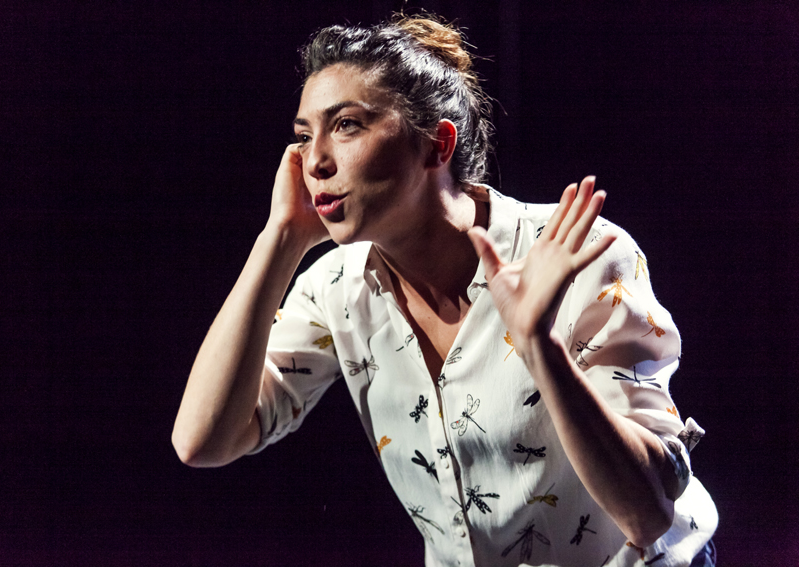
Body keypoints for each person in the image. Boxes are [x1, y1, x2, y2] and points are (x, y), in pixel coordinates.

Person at [172, 14, 717, 566]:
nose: (315, 161)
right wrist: (281, 238)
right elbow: (202, 441)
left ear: (437, 143)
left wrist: (542, 349)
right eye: (304, 136)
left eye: (348, 125)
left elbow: (647, 515)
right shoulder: (336, 287)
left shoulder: (579, 252)